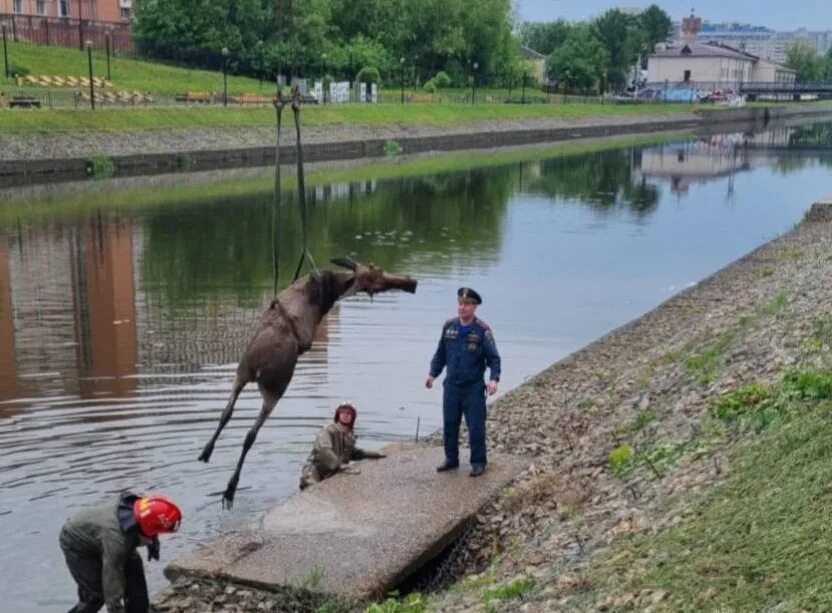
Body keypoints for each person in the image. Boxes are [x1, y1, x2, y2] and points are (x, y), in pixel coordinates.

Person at [59, 492, 182, 613]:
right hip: (76, 542)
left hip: (100, 531)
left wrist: (153, 542)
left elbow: (153, 522)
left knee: (135, 568)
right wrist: (115, 608)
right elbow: (112, 573)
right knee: (95, 595)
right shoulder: (118, 541)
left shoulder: (141, 505)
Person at [425, 287, 501, 477]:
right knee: (450, 424)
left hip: (473, 387)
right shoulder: (449, 327)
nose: (462, 307)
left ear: (474, 307)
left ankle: (478, 462)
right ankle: (451, 459)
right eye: (460, 303)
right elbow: (441, 354)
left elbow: (494, 359)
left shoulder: (482, 330)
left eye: (467, 304)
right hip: (451, 386)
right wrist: (432, 375)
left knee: (475, 426)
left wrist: (493, 380)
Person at [299, 402, 386, 490]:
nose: (345, 415)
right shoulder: (327, 431)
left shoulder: (349, 434)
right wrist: (340, 465)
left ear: (353, 417)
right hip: (314, 471)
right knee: (313, 492)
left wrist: (371, 454)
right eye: (343, 412)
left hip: (331, 471)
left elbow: (351, 452)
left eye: (349, 413)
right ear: (338, 415)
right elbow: (324, 450)